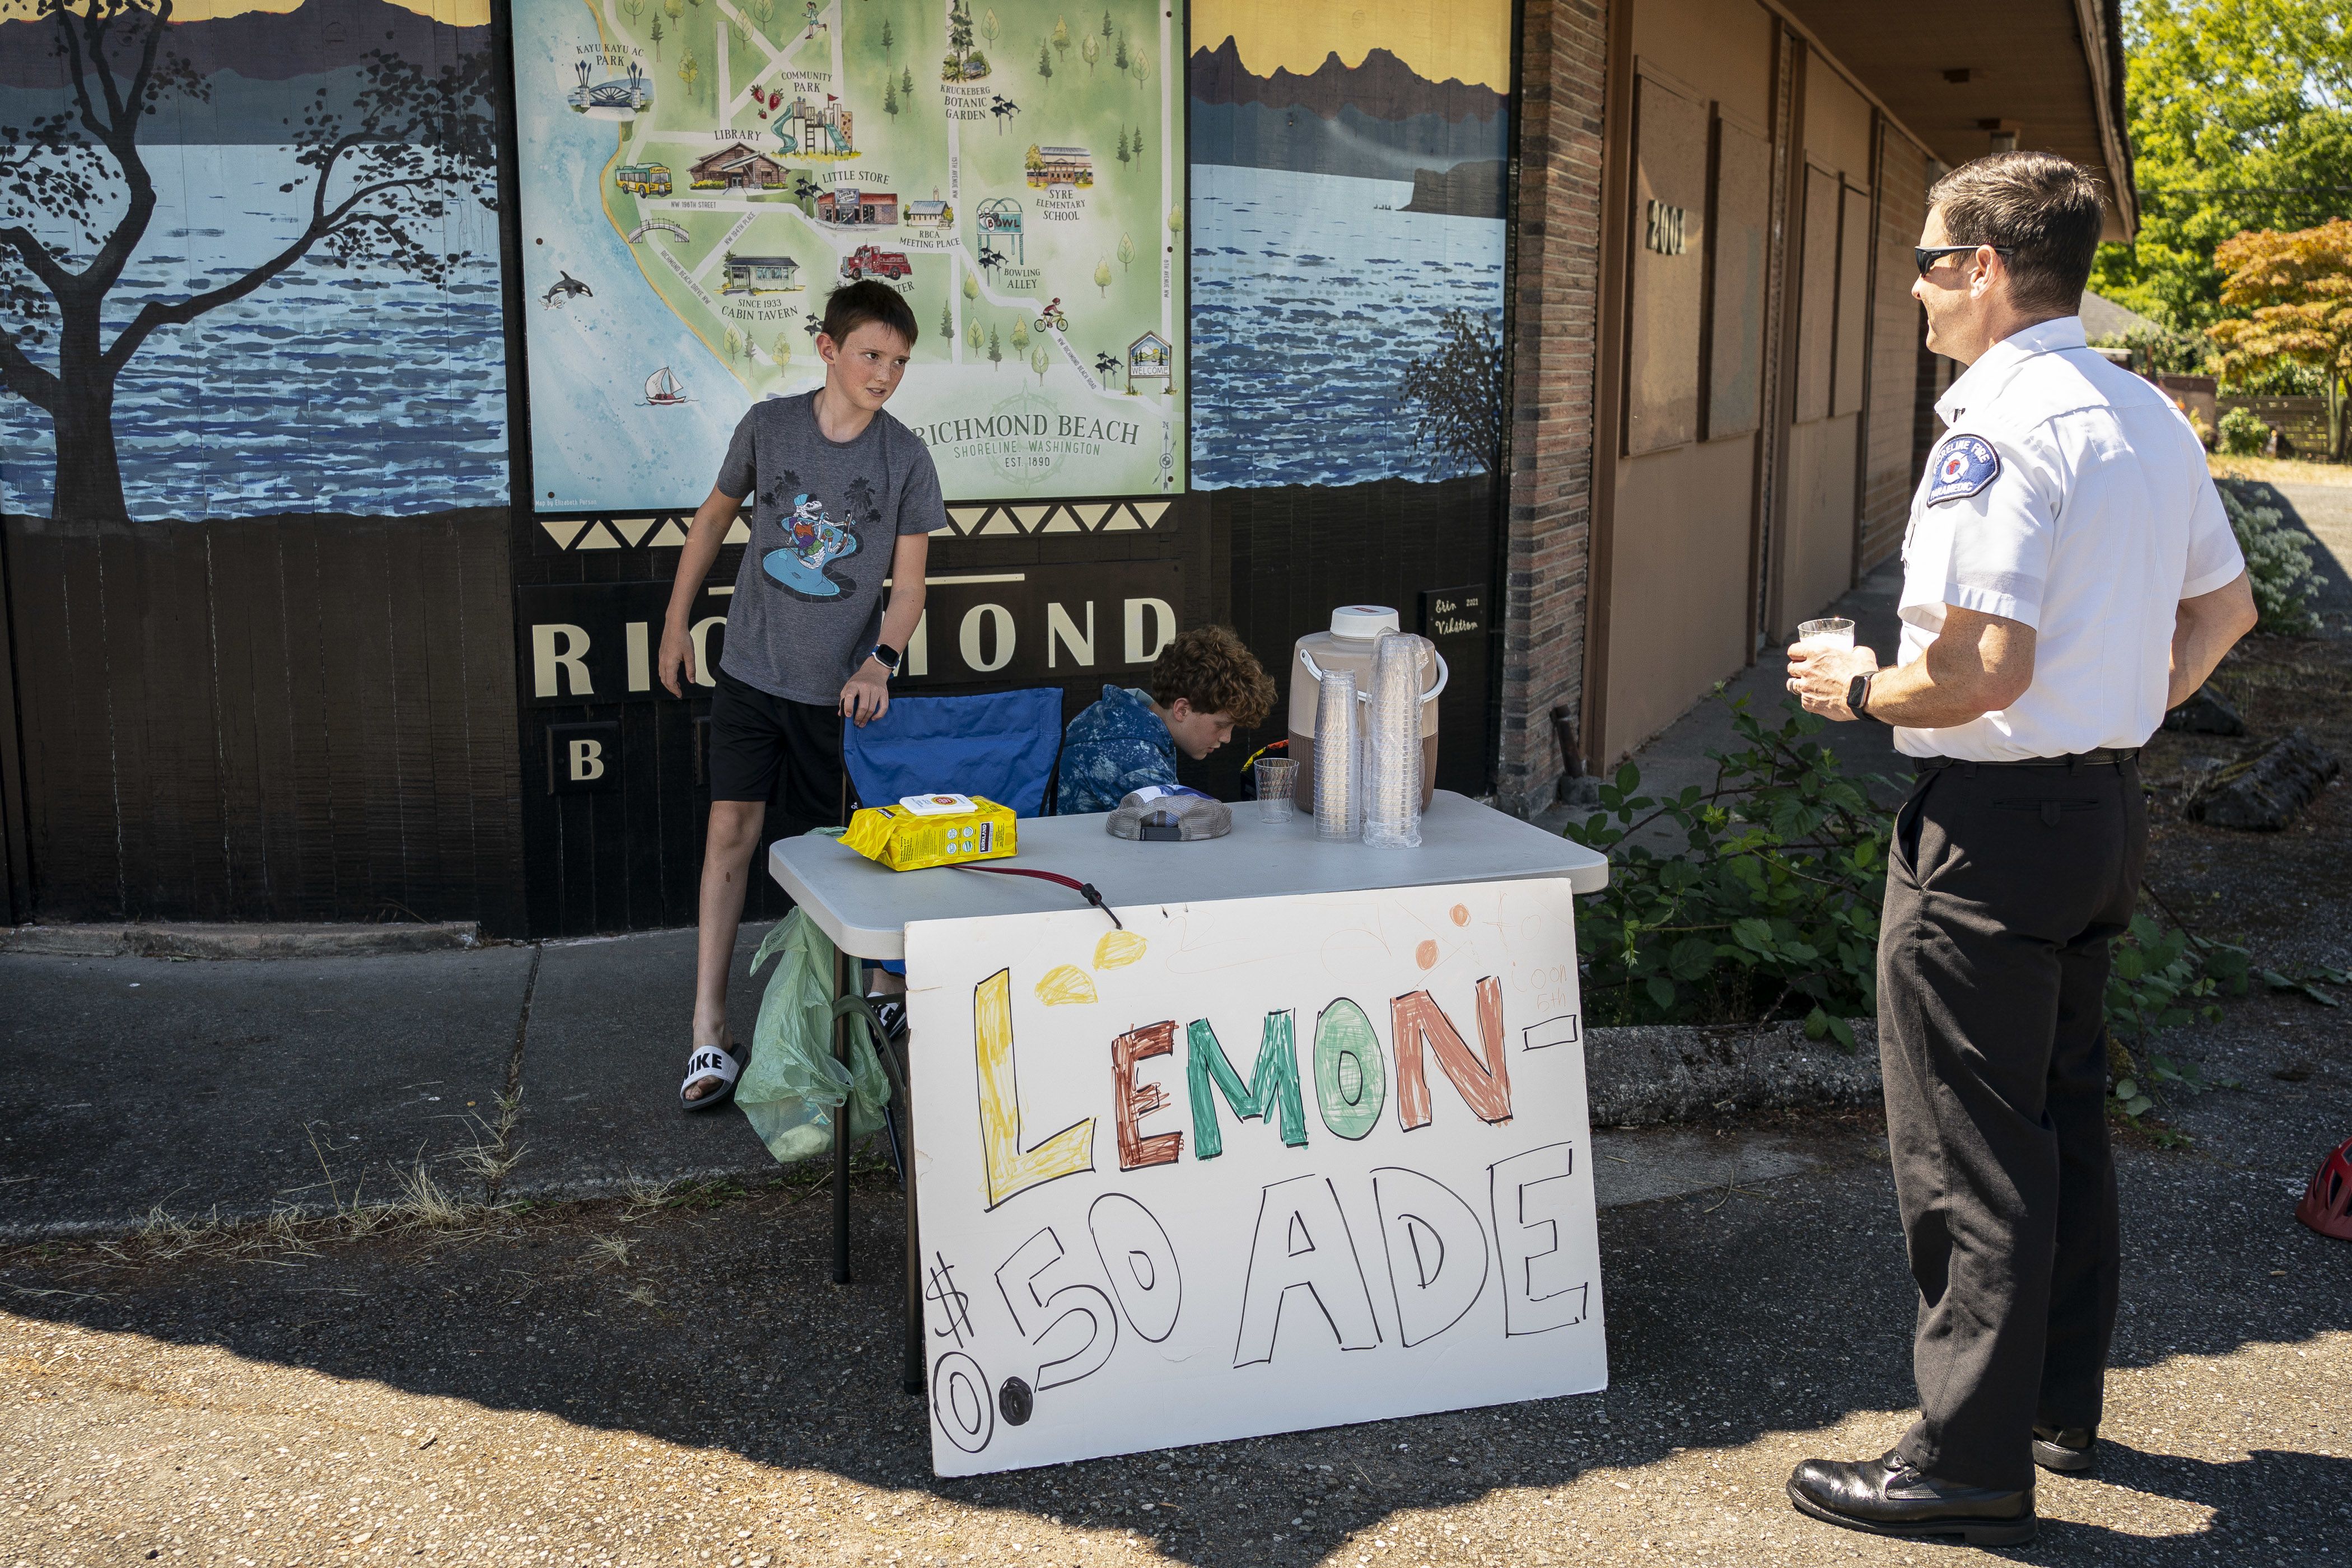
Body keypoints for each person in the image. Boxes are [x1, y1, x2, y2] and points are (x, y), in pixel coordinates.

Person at [1782, 151, 2257, 1546]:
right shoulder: (2147, 417)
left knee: (1970, 1153)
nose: (1920, 289)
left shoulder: (1995, 428)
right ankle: (2052, 1404)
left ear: (1988, 269)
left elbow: (1981, 667)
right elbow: (2221, 620)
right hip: (2101, 818)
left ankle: (1969, 1462)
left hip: (1989, 840)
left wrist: (1860, 692)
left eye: (1932, 262)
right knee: (2061, 1123)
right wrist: (2106, 714)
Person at [658, 280, 950, 1111]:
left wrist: (880, 662)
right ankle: (708, 1035)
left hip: (842, 699)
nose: (885, 374)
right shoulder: (769, 425)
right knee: (729, 834)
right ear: (828, 347)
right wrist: (678, 622)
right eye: (871, 355)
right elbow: (712, 522)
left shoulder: (906, 458)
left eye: (898, 361)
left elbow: (908, 585)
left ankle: (874, 1005)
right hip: (750, 671)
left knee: (848, 858)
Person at [1054, 626, 1275, 814]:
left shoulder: (1124, 715)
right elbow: (1181, 841)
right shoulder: (1137, 760)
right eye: (1222, 725)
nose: (1226, 737)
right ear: (1182, 710)